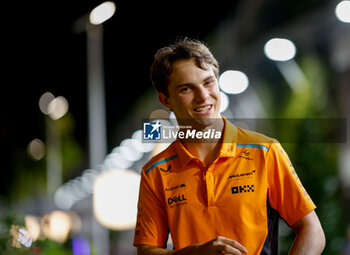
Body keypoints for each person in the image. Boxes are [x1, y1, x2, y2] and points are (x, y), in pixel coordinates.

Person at [133, 37, 325, 254]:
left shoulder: (265, 151)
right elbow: (146, 251)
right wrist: (195, 253)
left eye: (208, 82)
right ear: (166, 100)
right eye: (186, 89)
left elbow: (312, 230)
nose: (203, 96)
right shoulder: (155, 172)